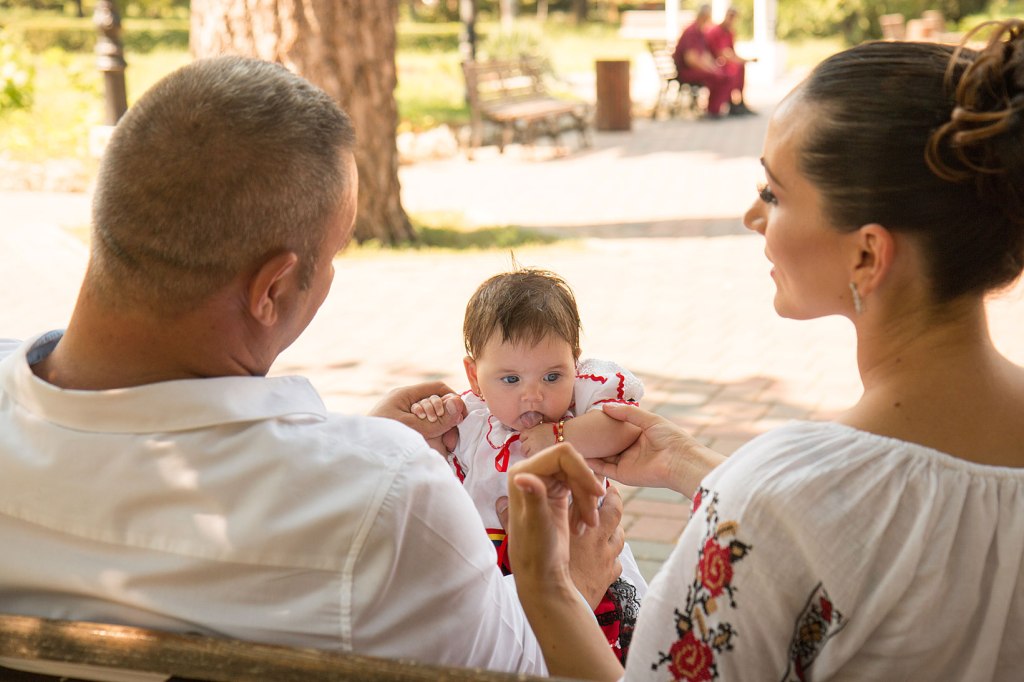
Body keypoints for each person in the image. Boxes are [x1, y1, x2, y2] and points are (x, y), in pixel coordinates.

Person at [0, 56, 625, 675]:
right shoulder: (386, 502)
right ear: (272, 290)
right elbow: (522, 670)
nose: (330, 277)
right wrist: (571, 582)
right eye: (332, 256)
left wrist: (351, 445)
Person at [506, 22, 1024, 681]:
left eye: (774, 194)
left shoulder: (777, 496)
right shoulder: (774, 496)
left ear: (867, 254)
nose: (753, 218)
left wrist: (549, 592)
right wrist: (699, 468)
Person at [407, 267, 646, 662]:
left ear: (575, 363)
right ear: (475, 376)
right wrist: (431, 419)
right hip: (495, 570)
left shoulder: (580, 408)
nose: (533, 395)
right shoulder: (470, 420)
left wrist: (561, 436)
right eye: (511, 380)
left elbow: (626, 427)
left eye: (552, 376)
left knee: (591, 653)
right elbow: (430, 468)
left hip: (580, 558)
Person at [671, 4, 736, 118]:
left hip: (696, 68)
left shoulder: (700, 31)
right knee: (718, 76)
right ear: (704, 17)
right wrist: (710, 70)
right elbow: (691, 59)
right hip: (686, 71)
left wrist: (714, 67)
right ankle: (713, 111)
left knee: (725, 75)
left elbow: (705, 55)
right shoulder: (691, 31)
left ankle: (715, 109)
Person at [706, 7, 756, 116]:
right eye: (730, 17)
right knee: (733, 70)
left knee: (740, 68)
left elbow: (731, 52)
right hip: (715, 63)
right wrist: (742, 60)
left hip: (725, 62)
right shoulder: (715, 31)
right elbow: (722, 53)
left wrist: (744, 60)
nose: (731, 20)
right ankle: (726, 104)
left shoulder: (730, 32)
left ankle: (739, 102)